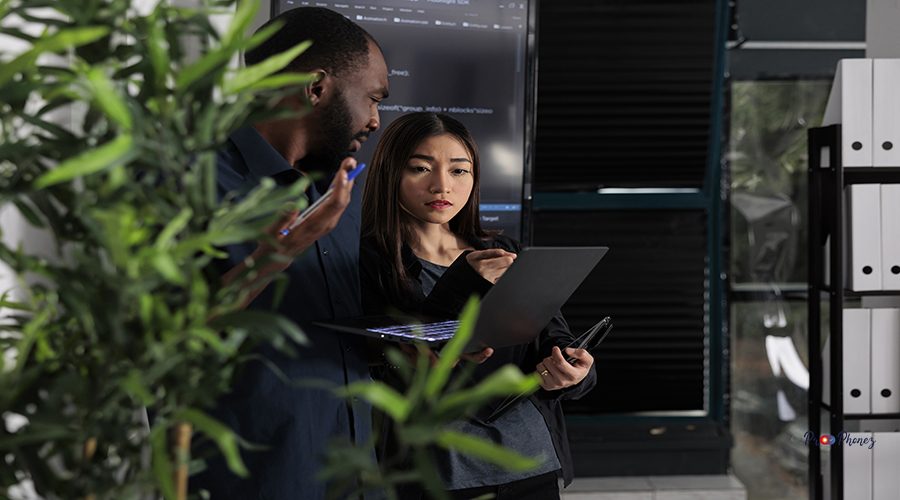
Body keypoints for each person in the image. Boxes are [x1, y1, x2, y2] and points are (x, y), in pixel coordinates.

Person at [191, 7, 389, 500]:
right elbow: (172, 337)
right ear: (316, 87)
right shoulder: (194, 181)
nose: (376, 119)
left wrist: (410, 346)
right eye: (373, 98)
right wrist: (282, 251)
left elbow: (337, 333)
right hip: (252, 482)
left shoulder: (343, 191)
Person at [359, 112, 596, 500]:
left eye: (459, 170)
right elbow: (412, 355)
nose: (442, 185)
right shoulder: (369, 262)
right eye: (420, 168)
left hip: (530, 461)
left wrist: (575, 374)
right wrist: (461, 282)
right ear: (390, 173)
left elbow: (555, 340)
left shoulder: (503, 251)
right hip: (439, 473)